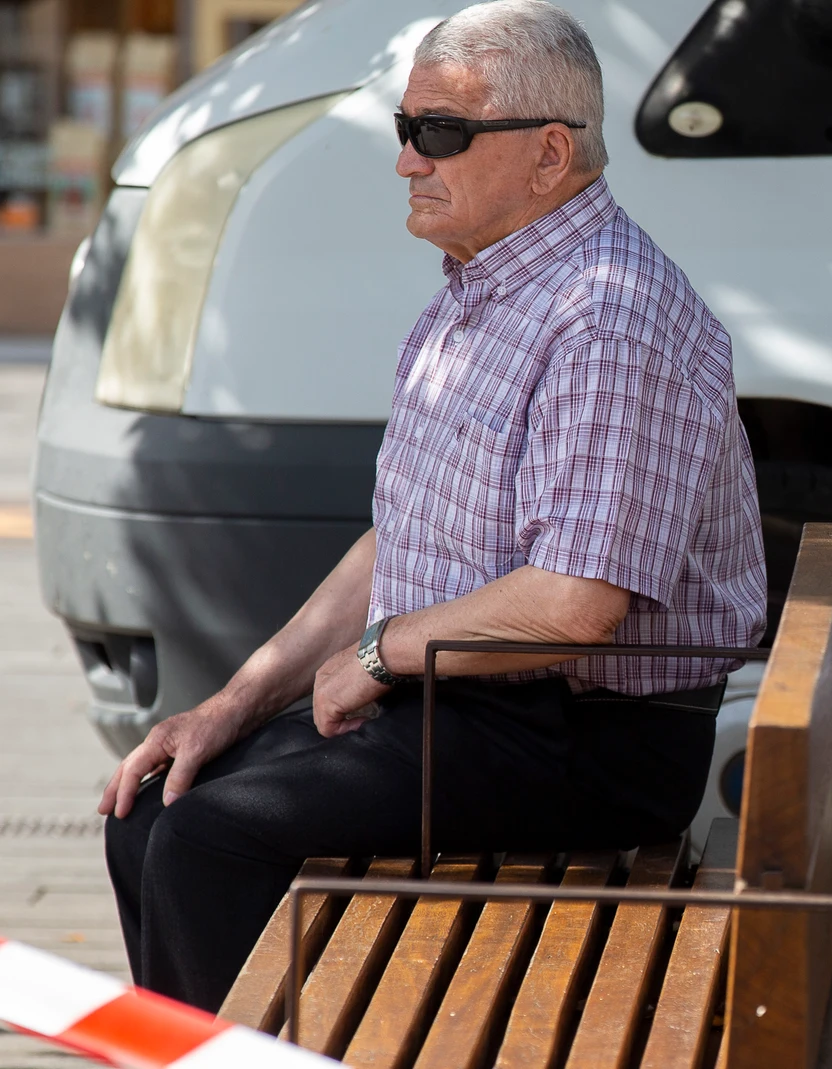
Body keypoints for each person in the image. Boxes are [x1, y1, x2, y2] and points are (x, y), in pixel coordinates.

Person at [101, 0, 767, 1011]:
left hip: (583, 741)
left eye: (440, 133)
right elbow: (403, 538)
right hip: (480, 707)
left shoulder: (606, 317)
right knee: (153, 800)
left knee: (207, 840)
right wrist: (232, 702)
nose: (408, 160)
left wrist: (377, 654)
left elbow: (573, 607)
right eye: (406, 130)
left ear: (549, 155)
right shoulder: (484, 288)